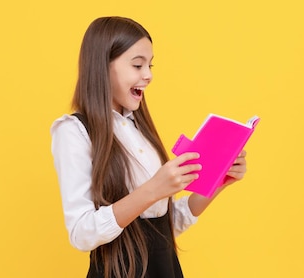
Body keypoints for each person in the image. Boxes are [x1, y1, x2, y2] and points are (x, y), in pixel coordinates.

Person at [50, 16, 247, 278]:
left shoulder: (138, 128)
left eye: (150, 65)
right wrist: (153, 189)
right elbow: (81, 233)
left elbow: (163, 227)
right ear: (102, 66)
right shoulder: (73, 131)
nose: (149, 75)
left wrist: (219, 182)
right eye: (137, 65)